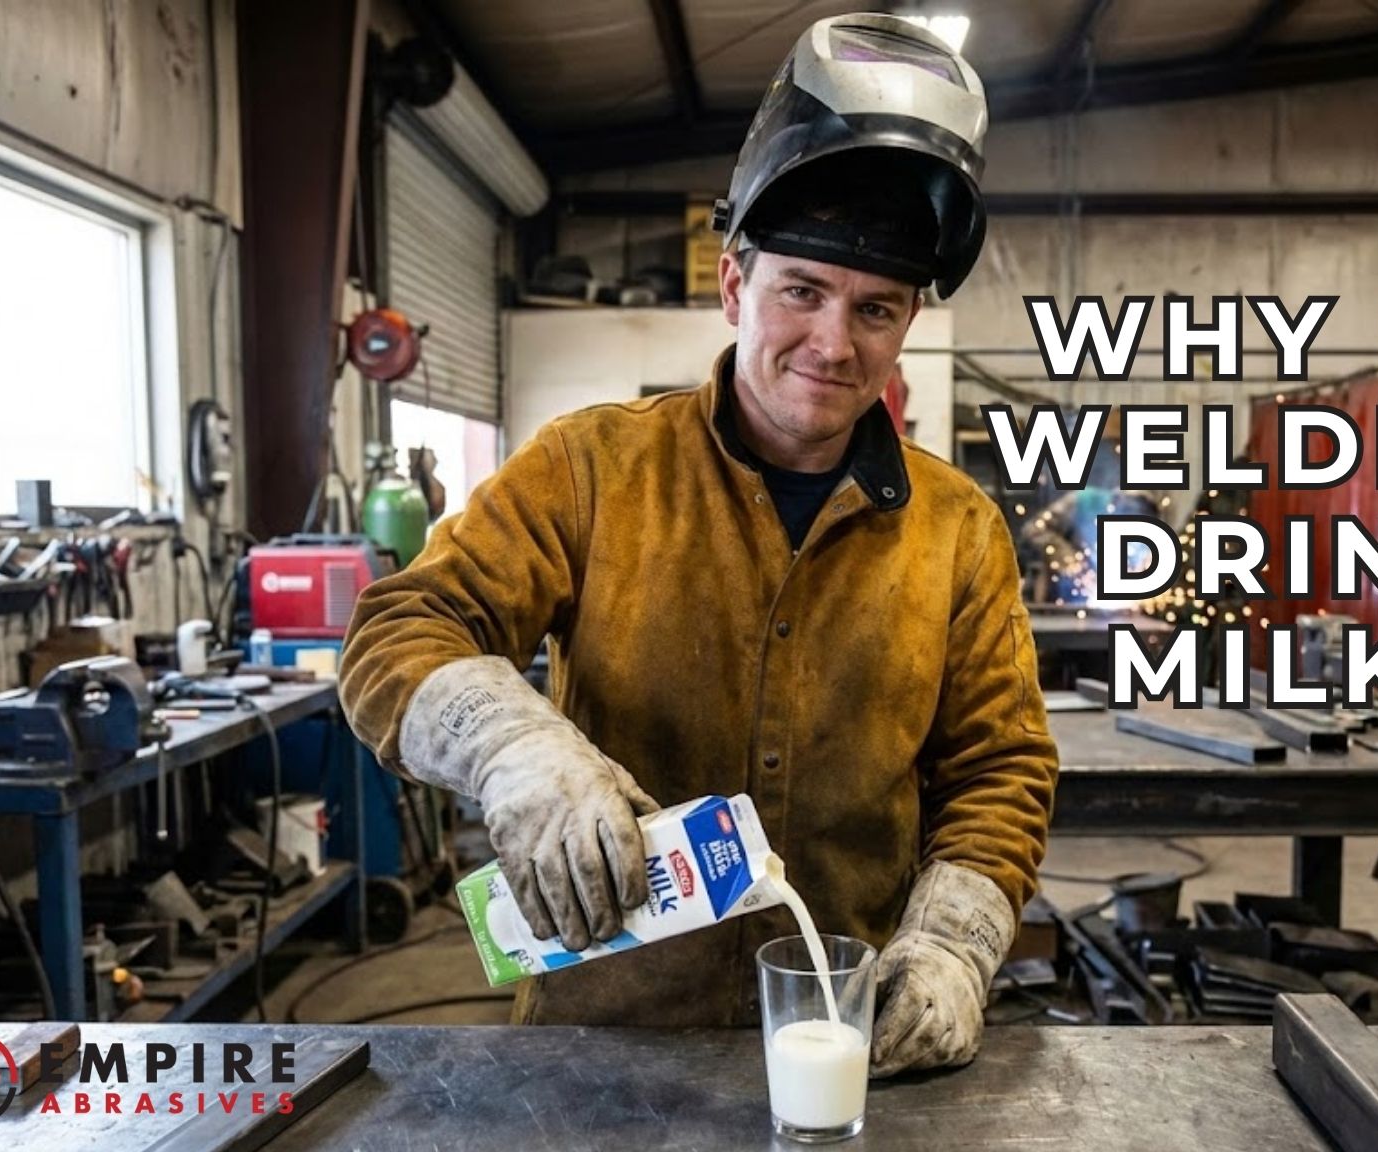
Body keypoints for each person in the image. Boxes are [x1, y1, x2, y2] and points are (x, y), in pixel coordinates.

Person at [338, 12, 1057, 1077]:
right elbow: (404, 627)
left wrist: (956, 942)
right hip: (602, 1046)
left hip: (844, 1040)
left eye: (875, 309)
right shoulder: (591, 468)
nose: (833, 342)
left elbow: (999, 767)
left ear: (907, 324)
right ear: (733, 287)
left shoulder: (957, 529)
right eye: (802, 291)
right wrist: (512, 748)